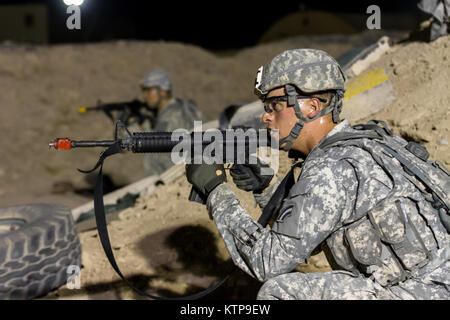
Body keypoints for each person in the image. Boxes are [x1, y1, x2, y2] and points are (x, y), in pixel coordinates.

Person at [184, 49, 450, 300]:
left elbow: (268, 261)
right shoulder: (366, 144)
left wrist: (216, 191)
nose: (266, 118)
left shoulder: (331, 168)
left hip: (425, 290)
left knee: (281, 292)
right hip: (433, 286)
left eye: (274, 106)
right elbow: (305, 237)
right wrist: (267, 190)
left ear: (311, 107)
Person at [139, 70, 206, 176]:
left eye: (149, 90)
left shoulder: (171, 117)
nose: (145, 96)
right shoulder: (179, 109)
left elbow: (157, 155)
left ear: (163, 91)